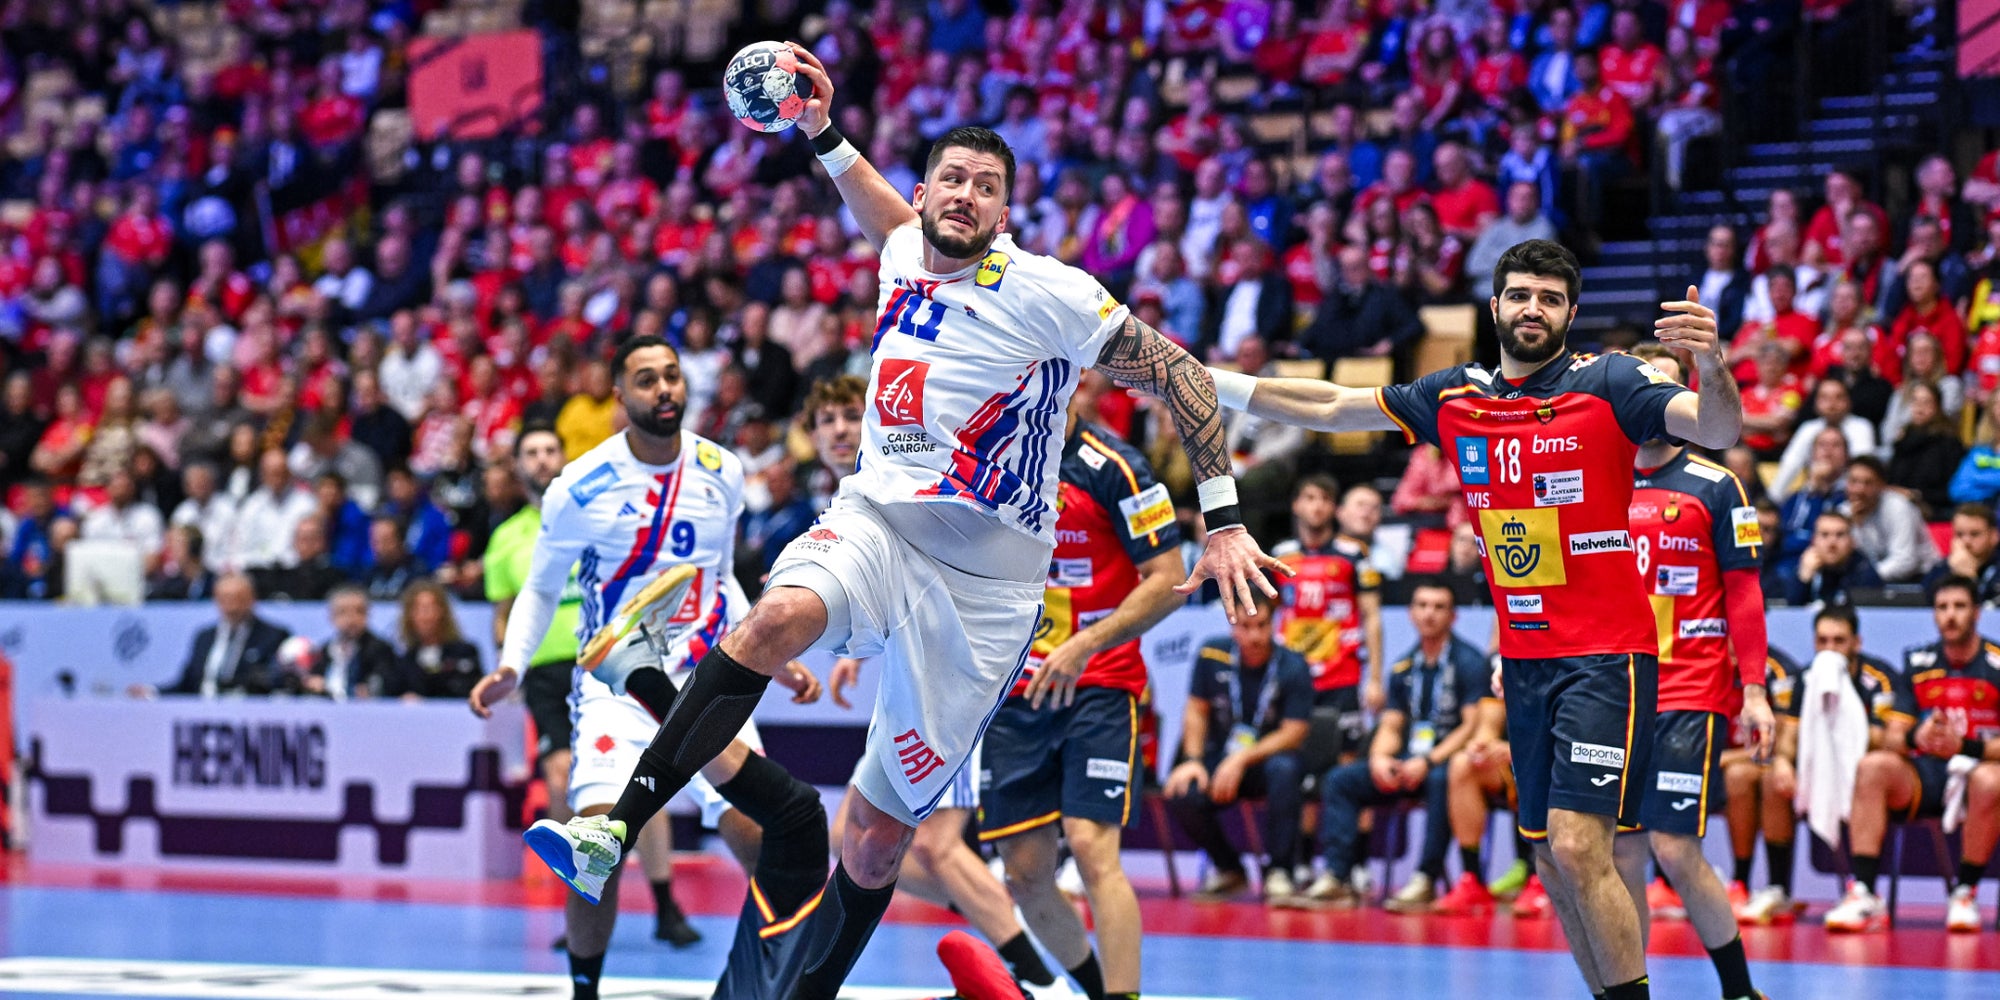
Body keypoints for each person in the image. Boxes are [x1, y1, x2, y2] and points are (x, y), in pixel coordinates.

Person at [522, 51, 1276, 1000]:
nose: (966, 195)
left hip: (988, 595)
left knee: (875, 842)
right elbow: (878, 207)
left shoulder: (1050, 291)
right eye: (951, 179)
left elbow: (1184, 375)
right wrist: (818, 129)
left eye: (987, 186)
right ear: (925, 193)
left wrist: (1224, 520)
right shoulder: (897, 252)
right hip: (876, 524)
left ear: (1005, 213)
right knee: (769, 622)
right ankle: (613, 831)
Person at [1209, 239, 1740, 1000]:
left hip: (1607, 657)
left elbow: (1717, 428)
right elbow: (1331, 404)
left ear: (1571, 313)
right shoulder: (1457, 395)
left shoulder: (1613, 382)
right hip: (1523, 662)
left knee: (1578, 846)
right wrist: (1207, 382)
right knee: (1553, 862)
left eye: (1551, 299)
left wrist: (1712, 362)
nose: (1534, 309)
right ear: (1493, 307)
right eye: (1521, 295)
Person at [470, 335, 820, 999]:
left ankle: (763, 982)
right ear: (620, 396)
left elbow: (722, 580)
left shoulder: (722, 468)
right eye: (647, 380)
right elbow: (542, 588)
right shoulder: (579, 486)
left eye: (672, 377)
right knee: (593, 852)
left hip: (711, 681)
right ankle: (584, 989)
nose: (664, 390)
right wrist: (514, 663)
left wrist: (771, 658)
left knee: (759, 840)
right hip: (616, 687)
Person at [982, 391, 1184, 1000]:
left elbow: (1169, 578)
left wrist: (1083, 646)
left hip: (1100, 684)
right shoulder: (988, 459)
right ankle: (1096, 991)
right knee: (1025, 875)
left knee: (1094, 850)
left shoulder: (1118, 468)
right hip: (1017, 694)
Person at [1621, 344, 1773, 1000]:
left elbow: (1744, 592)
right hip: (1613, 692)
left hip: (1689, 690)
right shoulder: (1595, 479)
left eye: (1667, 388)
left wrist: (1758, 690)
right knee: (1621, 856)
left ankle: (1740, 992)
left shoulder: (1717, 484)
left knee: (1676, 850)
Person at [1289, 581, 1490, 910]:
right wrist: (1381, 758)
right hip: (1407, 763)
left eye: (1439, 607)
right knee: (1342, 780)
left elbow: (1471, 726)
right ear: (1411, 614)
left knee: (1442, 778)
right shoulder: (1402, 667)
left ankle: (1425, 877)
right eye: (1423, 605)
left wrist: (1427, 761)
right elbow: (1392, 724)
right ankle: (1339, 876)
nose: (1429, 614)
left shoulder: (1469, 663)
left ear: (1453, 616)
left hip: (1445, 762)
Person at [1824, 577, 2000, 933]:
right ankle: (1865, 895)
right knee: (1874, 766)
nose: (1950, 616)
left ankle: (1964, 893)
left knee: (1989, 779)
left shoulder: (1996, 663)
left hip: (1980, 770)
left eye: (1959, 607)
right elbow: (1892, 736)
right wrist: (1914, 734)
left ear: (1977, 613)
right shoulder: (1918, 662)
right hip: (1926, 773)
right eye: (1942, 608)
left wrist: (1965, 746)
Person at [1165, 591, 1312, 901]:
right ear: (1233, 625)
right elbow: (1196, 711)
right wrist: (1192, 759)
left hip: (1268, 761)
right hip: (1221, 759)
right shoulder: (1211, 655)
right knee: (1183, 789)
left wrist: (1242, 759)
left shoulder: (1293, 665)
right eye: (1245, 626)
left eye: (1261, 625)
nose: (1254, 635)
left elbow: (1295, 732)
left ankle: (1279, 872)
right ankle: (1230, 869)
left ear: (1275, 624)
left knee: (1284, 770)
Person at [482, 426, 591, 841]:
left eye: (550, 450)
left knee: (619, 766)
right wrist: (505, 668)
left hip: (601, 664)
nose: (542, 459)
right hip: (544, 671)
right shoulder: (505, 539)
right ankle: (572, 859)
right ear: (517, 465)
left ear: (564, 457)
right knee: (559, 772)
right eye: (531, 452)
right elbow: (501, 615)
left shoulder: (592, 521)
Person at [1272, 476, 1381, 769]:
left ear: (1334, 508)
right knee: (1295, 765)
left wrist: (1375, 679)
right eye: (1309, 498)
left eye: (1324, 499)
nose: (1317, 506)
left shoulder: (1354, 554)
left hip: (1342, 672)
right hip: (1295, 676)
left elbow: (1372, 617)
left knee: (1348, 763)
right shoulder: (1280, 556)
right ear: (1296, 505)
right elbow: (1264, 611)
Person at [156, 573, 289, 696]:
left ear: (252, 599)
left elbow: (274, 682)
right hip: (200, 710)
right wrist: (153, 692)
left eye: (237, 598)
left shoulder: (273, 636)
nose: (231, 607)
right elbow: (188, 683)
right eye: (224, 599)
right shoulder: (204, 637)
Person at [1841, 456, 1939, 583]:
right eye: (1853, 481)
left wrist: (1865, 578)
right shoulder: (1844, 512)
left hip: (1920, 578)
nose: (1860, 490)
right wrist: (1855, 525)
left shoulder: (1899, 507)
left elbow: (1905, 562)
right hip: (1874, 582)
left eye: (1868, 483)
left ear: (1882, 485)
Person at [386, 580, 483, 699]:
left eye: (430, 608)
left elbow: (473, 691)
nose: (425, 617)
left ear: (442, 612)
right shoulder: (404, 661)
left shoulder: (465, 652)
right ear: (409, 616)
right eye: (418, 609)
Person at [302, 584, 399, 699]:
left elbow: (386, 683)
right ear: (331, 616)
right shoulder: (326, 649)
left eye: (359, 611)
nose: (351, 618)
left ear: (368, 614)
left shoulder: (380, 649)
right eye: (343, 612)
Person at [1784, 512, 1883, 606]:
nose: (1832, 543)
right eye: (1824, 535)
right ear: (1813, 541)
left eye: (1840, 535)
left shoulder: (1865, 573)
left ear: (1852, 542)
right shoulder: (1806, 568)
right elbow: (1791, 617)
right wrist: (1803, 580)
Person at [1924, 503, 2000, 604]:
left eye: (1975, 534)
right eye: (1959, 534)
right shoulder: (1941, 569)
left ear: (1994, 536)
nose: (1966, 541)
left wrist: (1969, 579)